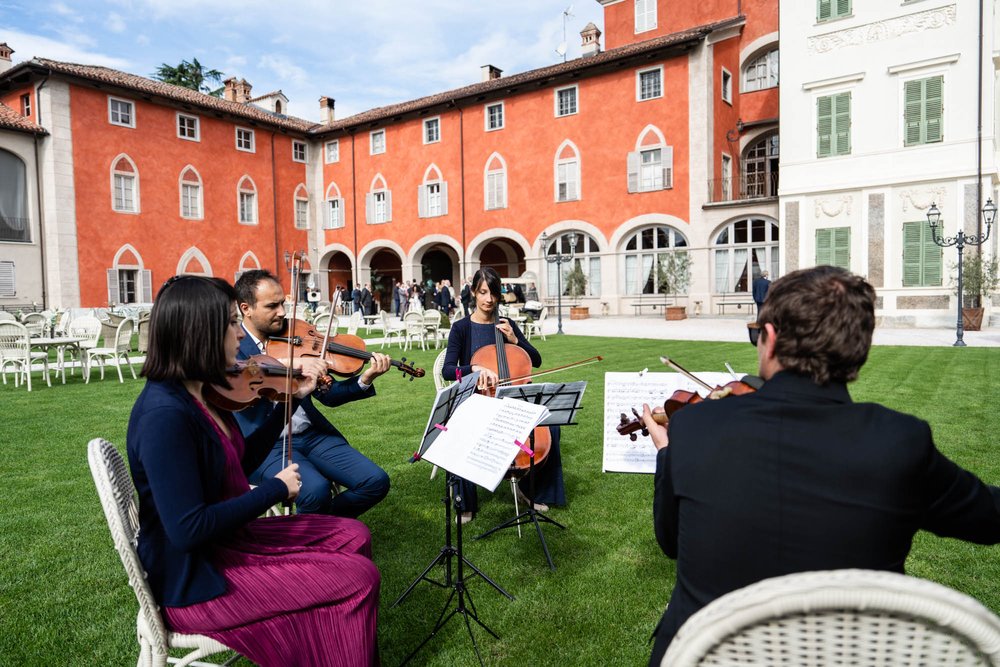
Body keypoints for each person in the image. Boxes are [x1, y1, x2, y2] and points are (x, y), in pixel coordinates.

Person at [640, 265, 1000, 666]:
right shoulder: (900, 441)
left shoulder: (695, 425)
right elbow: (989, 518)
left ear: (770, 339)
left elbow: (671, 541)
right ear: (858, 352)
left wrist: (667, 453)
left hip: (705, 655)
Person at [126, 275, 380, 666]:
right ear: (201, 332)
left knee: (353, 533)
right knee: (359, 578)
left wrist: (289, 402)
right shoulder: (165, 416)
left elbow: (238, 465)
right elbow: (188, 529)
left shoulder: (196, 393)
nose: (239, 337)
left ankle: (336, 650)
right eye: (231, 324)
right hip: (196, 580)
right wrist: (275, 490)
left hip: (225, 546)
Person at [234, 270, 391, 518]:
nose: (283, 312)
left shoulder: (293, 336)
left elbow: (328, 395)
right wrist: (286, 366)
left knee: (375, 481)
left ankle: (322, 526)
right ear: (246, 308)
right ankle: (314, 541)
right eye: (272, 306)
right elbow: (239, 378)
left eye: (283, 304)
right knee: (315, 491)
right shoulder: (234, 345)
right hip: (267, 444)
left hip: (312, 435)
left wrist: (364, 379)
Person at [442, 266, 566, 523]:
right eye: (483, 292)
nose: (488, 299)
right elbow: (447, 370)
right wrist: (473, 368)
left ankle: (530, 490)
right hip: (478, 401)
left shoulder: (506, 325)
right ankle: (466, 503)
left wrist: (516, 341)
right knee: (461, 427)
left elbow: (537, 360)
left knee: (550, 426)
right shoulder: (461, 328)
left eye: (493, 293)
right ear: (474, 293)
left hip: (511, 402)